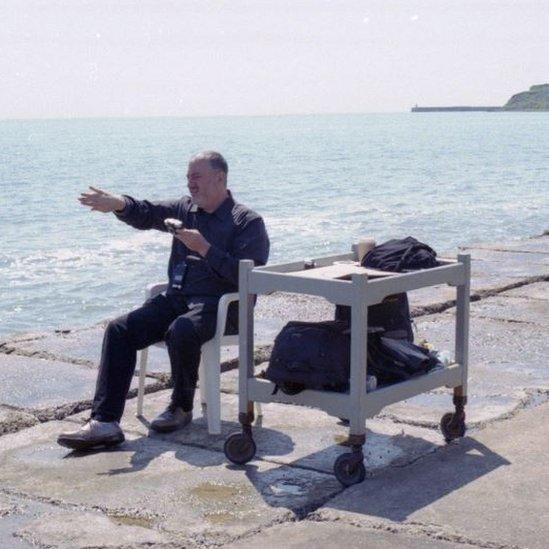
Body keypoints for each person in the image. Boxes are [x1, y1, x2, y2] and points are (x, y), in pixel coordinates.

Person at [57, 151, 270, 450]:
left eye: (196, 177)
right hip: (178, 299)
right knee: (119, 330)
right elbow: (148, 212)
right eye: (188, 177)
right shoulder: (185, 208)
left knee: (181, 329)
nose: (190, 183)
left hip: (222, 307)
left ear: (219, 177)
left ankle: (181, 406)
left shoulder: (246, 221)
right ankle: (105, 422)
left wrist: (205, 248)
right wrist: (119, 204)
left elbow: (250, 277)